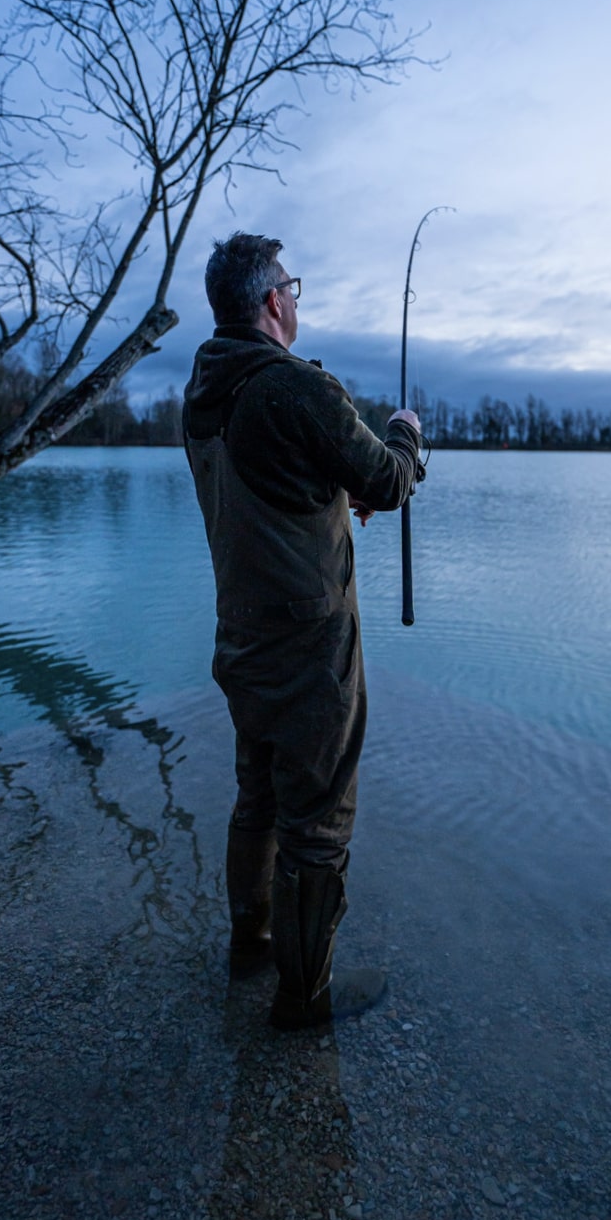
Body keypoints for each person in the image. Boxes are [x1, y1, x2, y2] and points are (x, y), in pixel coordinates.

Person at [183, 232, 421, 1030]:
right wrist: (406, 433)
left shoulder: (205, 388)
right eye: (293, 283)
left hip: (240, 637)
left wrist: (326, 487)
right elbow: (385, 477)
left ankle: (249, 944)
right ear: (271, 300)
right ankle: (303, 996)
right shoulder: (292, 388)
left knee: (257, 796)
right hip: (309, 649)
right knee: (317, 824)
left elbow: (273, 476)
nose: (297, 295)